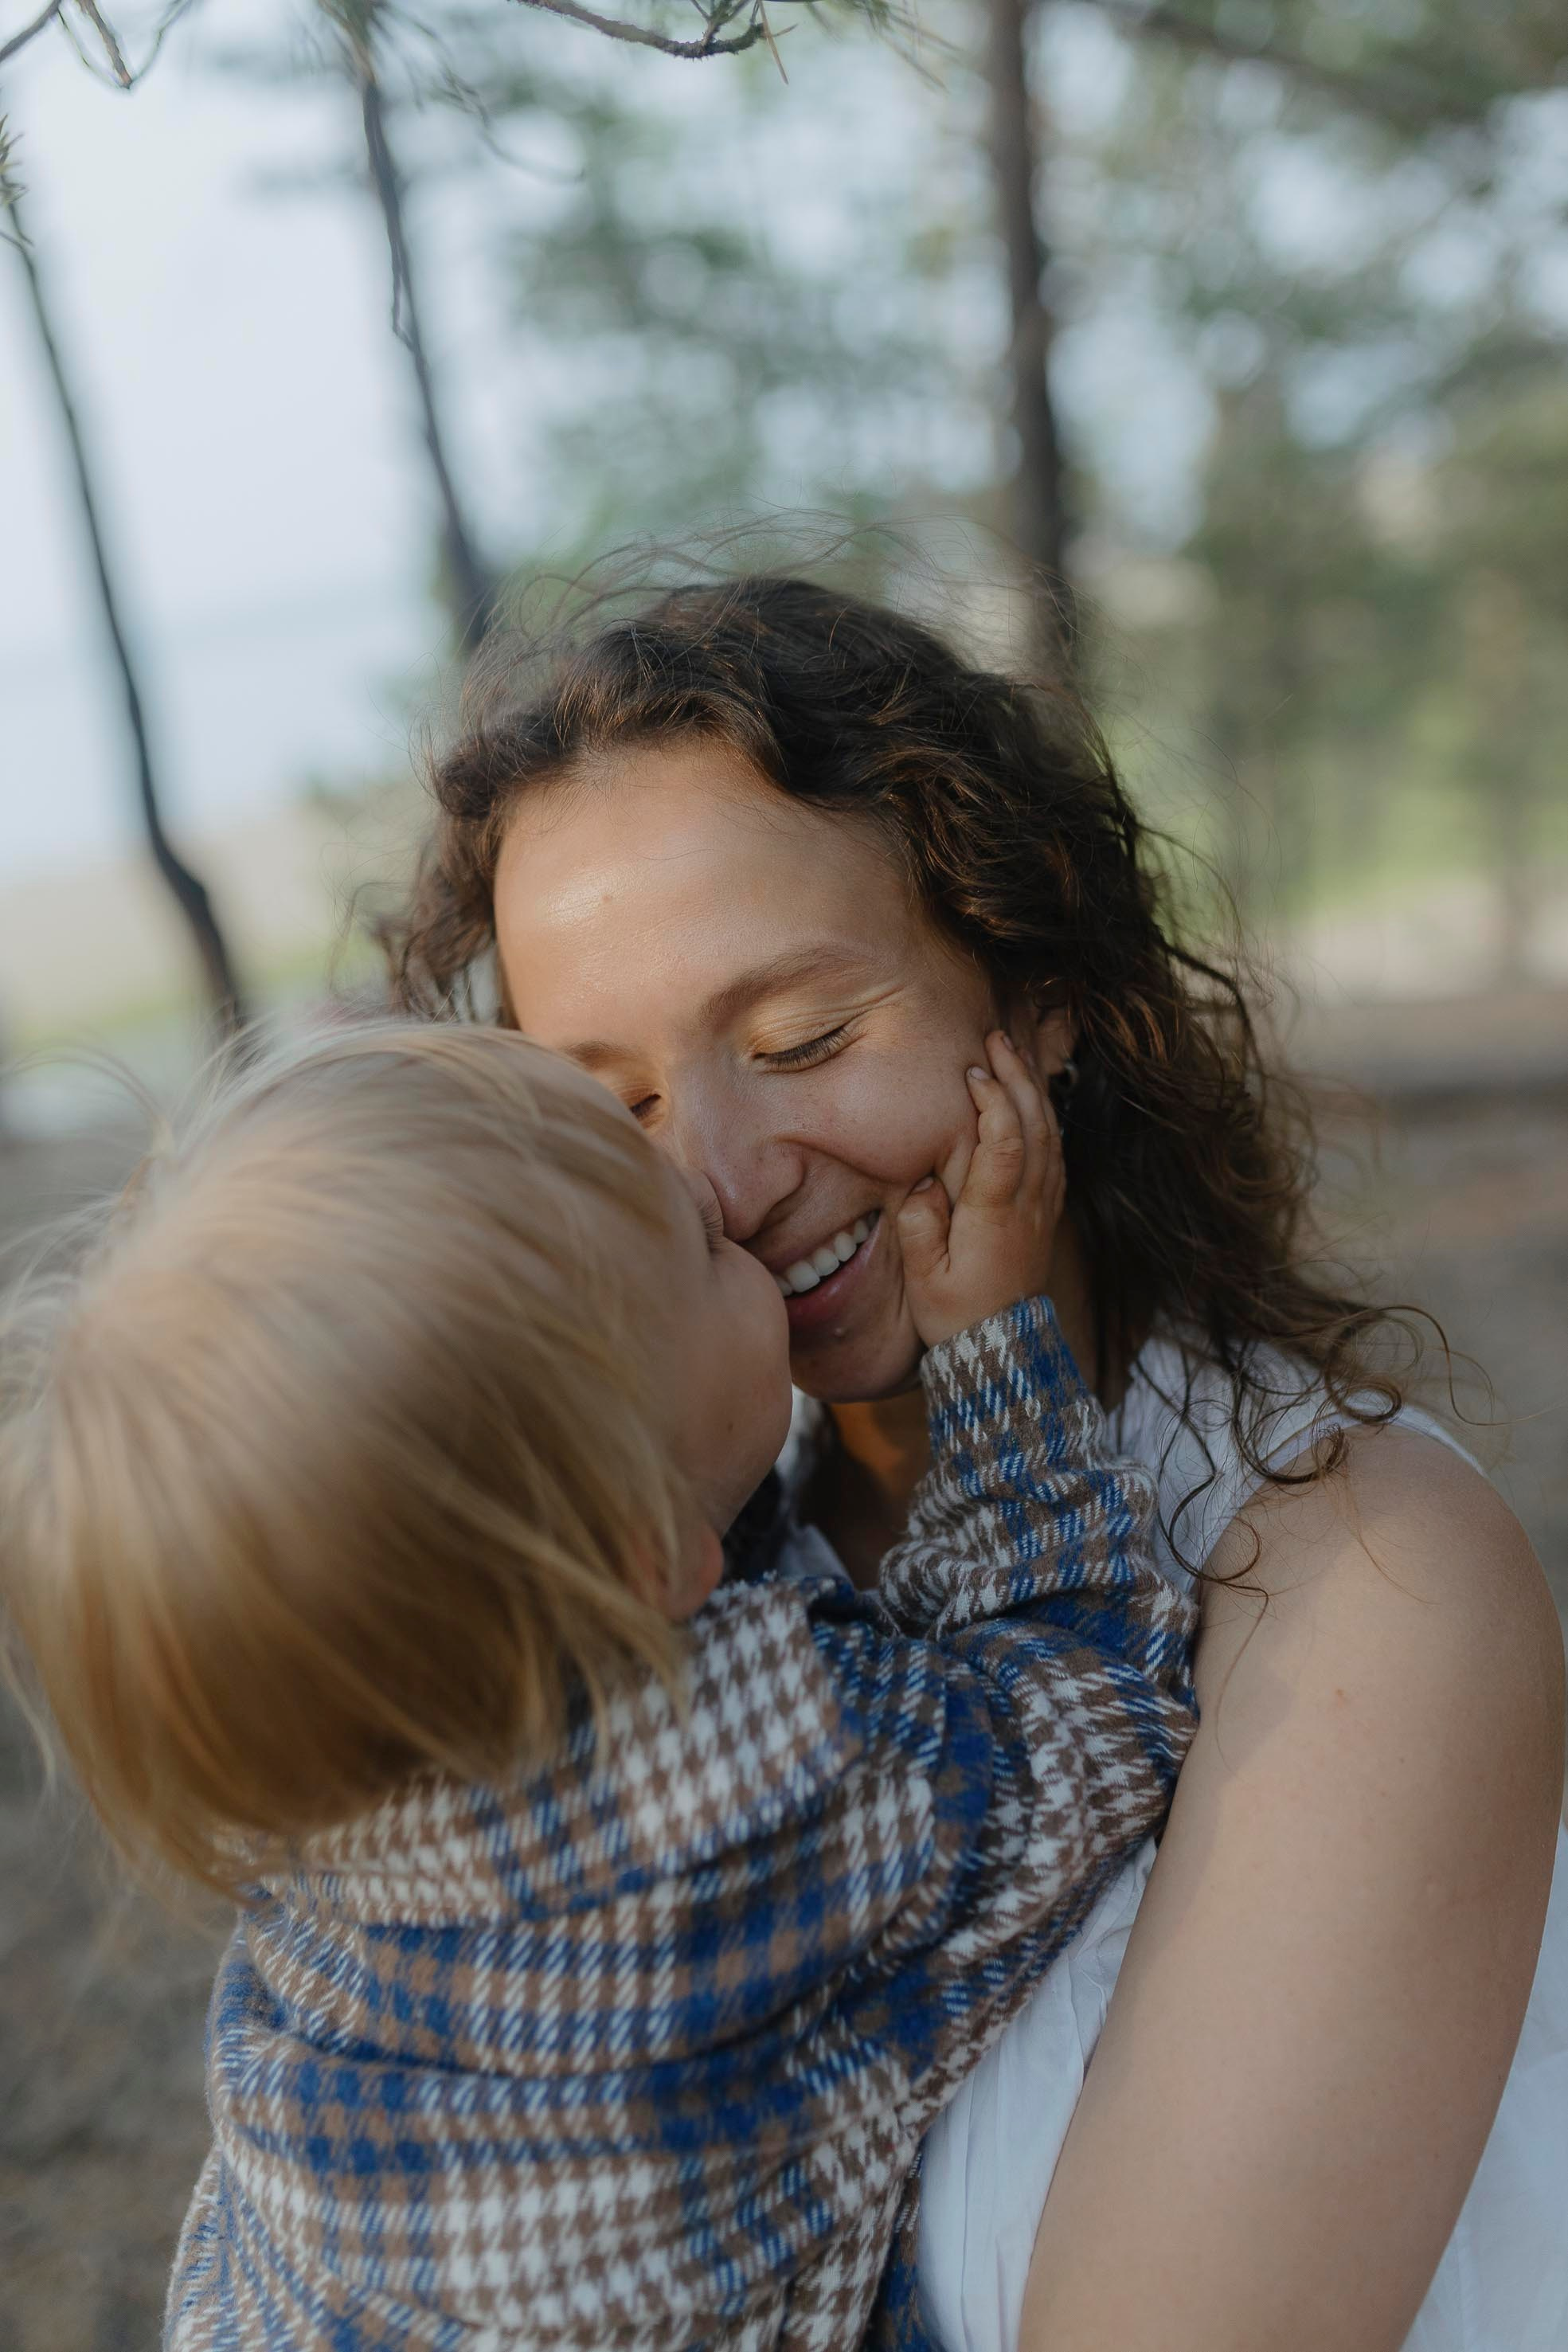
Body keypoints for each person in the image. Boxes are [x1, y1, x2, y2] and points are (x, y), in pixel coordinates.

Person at [384, 568, 1568, 2352]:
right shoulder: (661, 1598)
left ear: (1040, 996)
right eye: (608, 1106)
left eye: (801, 1041)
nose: (715, 1169)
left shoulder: (1354, 1582)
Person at [0, 1021, 1196, 2350]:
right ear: (646, 1550)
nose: (712, 1181)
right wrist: (995, 1356)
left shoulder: (333, 1786)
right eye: (694, 1246)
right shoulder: (768, 1787)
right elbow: (1097, 1710)